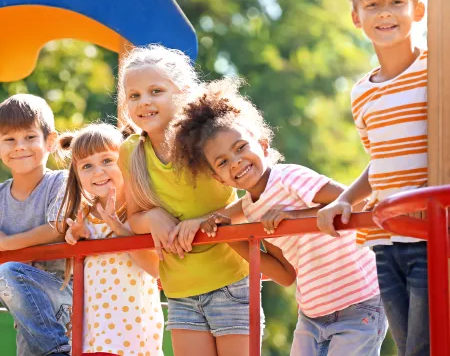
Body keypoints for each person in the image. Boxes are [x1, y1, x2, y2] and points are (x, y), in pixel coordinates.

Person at [169, 78, 387, 356]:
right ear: (217, 176)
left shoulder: (289, 177)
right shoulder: (252, 208)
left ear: (262, 144)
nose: (235, 161)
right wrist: (227, 238)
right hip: (313, 313)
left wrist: (294, 216)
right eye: (222, 162)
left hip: (359, 301)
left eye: (240, 147)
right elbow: (284, 275)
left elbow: (356, 202)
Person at [316, 0, 429, 356]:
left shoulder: (437, 69)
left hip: (430, 231)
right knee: (405, 346)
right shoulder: (362, 92)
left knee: (425, 347)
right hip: (385, 236)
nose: (385, 13)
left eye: (396, 2)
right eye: (373, 6)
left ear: (418, 10)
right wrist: (346, 198)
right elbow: (381, 160)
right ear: (356, 18)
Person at [117, 45, 257, 356]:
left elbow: (255, 197)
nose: (144, 102)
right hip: (180, 290)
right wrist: (152, 216)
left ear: (184, 93)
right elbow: (133, 218)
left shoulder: (207, 141)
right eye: (134, 95)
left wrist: (204, 222)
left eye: (156, 91)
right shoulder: (130, 152)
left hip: (230, 282)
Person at [55, 123, 163, 355]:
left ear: (125, 161)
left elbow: (156, 269)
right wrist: (74, 237)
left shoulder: (140, 214)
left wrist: (119, 229)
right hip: (90, 334)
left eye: (106, 161)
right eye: (87, 166)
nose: (98, 172)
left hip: (129, 332)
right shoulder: (83, 217)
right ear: (76, 173)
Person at [0, 94, 72, 356]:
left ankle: (58, 351)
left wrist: (8, 245)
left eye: (30, 137)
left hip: (63, 295)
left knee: (8, 271)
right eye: (9, 139)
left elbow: (57, 228)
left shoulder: (61, 182)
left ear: (50, 141)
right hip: (25, 312)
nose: (20, 146)